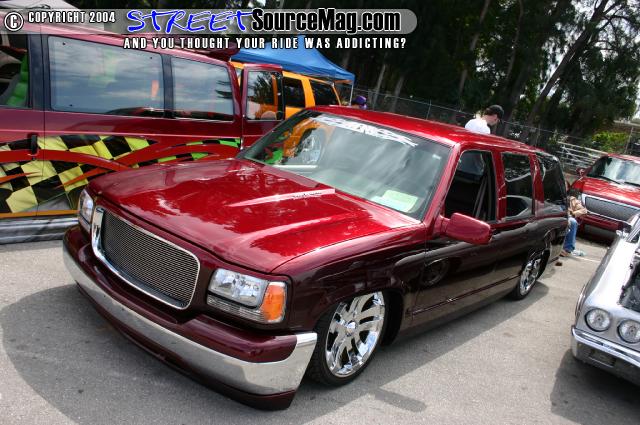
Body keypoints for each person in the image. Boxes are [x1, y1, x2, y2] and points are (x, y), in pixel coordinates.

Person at [561, 188, 588, 257]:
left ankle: (567, 249)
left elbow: (584, 211)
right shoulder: (557, 195)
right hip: (554, 213)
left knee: (573, 222)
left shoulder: (573, 200)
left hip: (566, 216)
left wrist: (573, 214)